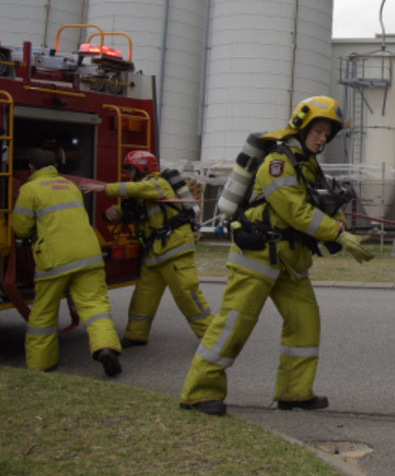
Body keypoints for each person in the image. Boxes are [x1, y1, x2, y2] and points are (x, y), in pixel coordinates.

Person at [178, 96, 375, 416]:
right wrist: (337, 233)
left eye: (328, 133)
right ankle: (198, 392)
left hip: (290, 260)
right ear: (301, 125)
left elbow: (321, 202)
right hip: (256, 257)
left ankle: (294, 393)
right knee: (233, 327)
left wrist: (340, 222)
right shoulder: (277, 162)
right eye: (319, 130)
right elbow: (295, 211)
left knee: (305, 322)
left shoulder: (308, 164)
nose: (323, 138)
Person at [78, 151, 212, 347]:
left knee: (187, 295)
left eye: (129, 169)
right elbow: (136, 206)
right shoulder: (142, 190)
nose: (127, 174)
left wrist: (104, 188)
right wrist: (116, 214)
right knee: (143, 296)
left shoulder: (158, 184)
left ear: (142, 168)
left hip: (174, 250)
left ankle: (211, 336)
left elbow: (139, 190)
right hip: (154, 253)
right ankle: (136, 334)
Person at [11, 149, 122, 376]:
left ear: (31, 168)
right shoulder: (70, 186)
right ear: (55, 165)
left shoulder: (29, 189)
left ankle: (41, 365)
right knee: (96, 306)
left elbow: (20, 228)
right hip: (89, 254)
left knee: (43, 313)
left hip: (55, 259)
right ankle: (105, 348)